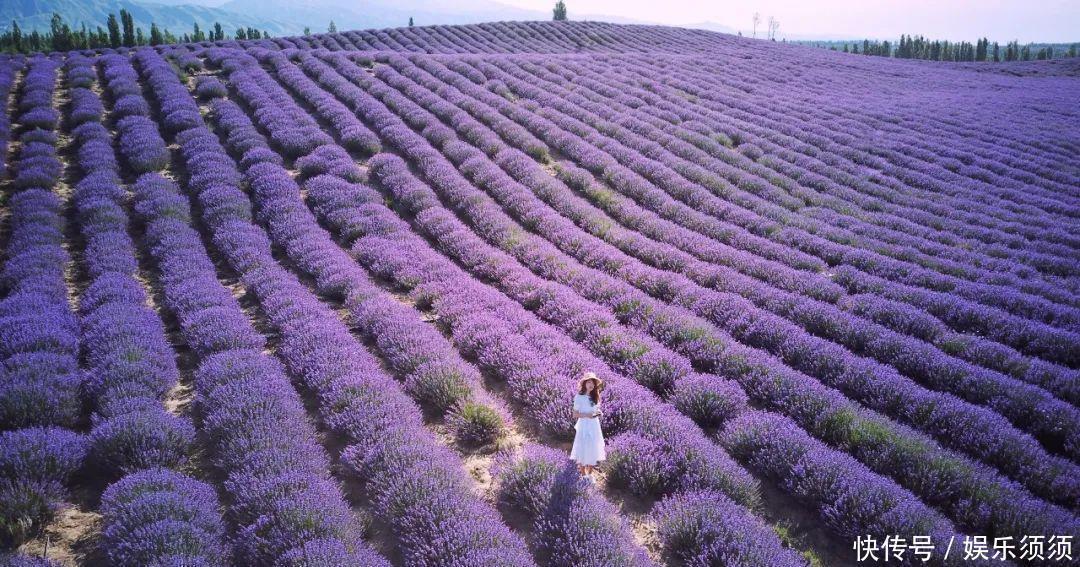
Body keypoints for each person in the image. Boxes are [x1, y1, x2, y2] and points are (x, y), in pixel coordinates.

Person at [570, 371, 606, 481]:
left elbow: (595, 410)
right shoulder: (579, 397)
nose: (591, 384)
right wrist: (587, 415)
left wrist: (599, 412)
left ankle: (590, 474)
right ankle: (583, 474)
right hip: (584, 425)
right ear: (585, 383)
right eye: (589, 382)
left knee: (593, 448)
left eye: (593, 383)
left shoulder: (595, 396)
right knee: (582, 448)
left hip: (594, 425)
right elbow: (575, 414)